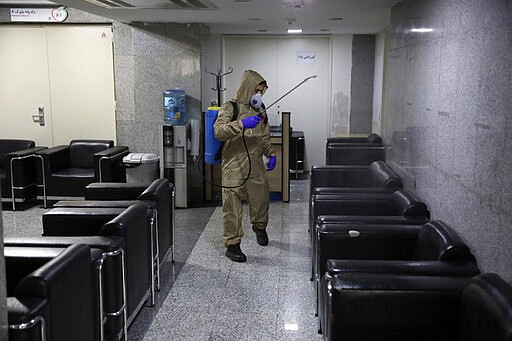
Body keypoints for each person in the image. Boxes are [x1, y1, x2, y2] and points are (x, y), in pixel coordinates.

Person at [213, 69, 277, 262]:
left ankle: (259, 227)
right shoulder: (230, 106)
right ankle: (232, 245)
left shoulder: (260, 108)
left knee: (261, 198)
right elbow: (219, 131)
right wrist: (240, 124)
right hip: (233, 163)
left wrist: (270, 152)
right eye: (256, 89)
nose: (258, 94)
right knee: (231, 206)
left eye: (261, 90)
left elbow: (264, 134)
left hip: (255, 162)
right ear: (247, 87)